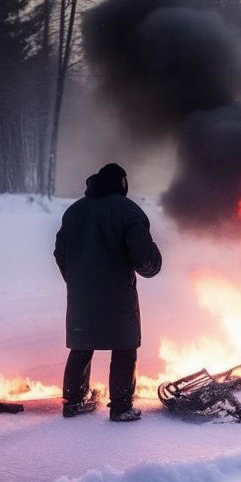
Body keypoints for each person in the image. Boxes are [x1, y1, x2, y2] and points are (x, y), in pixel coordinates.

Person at [54, 163, 162, 421]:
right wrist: (151, 266)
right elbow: (144, 255)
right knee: (124, 345)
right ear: (122, 184)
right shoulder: (127, 210)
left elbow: (60, 252)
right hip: (117, 291)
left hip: (80, 291)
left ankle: (73, 402)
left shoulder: (75, 211)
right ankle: (121, 407)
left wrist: (75, 279)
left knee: (82, 344)